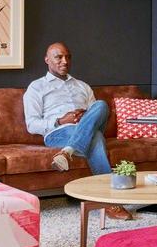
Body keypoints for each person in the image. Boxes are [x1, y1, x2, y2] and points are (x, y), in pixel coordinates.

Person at [22, 42, 111, 176]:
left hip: (85, 127)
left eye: (68, 57)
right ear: (47, 60)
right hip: (58, 133)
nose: (65, 61)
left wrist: (85, 116)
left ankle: (68, 151)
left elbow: (95, 115)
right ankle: (107, 185)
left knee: (101, 105)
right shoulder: (36, 87)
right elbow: (31, 124)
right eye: (59, 57)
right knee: (96, 136)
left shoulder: (83, 86)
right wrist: (60, 121)